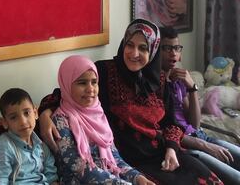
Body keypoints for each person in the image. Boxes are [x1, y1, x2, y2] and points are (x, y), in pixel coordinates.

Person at [39, 19, 224, 184]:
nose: (134, 53)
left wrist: (172, 149)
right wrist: (45, 113)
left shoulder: (159, 81)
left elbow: (171, 124)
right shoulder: (103, 71)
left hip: (163, 153)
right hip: (129, 161)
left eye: (143, 48)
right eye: (130, 45)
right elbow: (66, 92)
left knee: (209, 179)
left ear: (152, 51)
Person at [52, 55, 155, 184]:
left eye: (94, 82)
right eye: (82, 83)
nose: (90, 89)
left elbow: (115, 159)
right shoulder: (60, 121)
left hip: (109, 179)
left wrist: (137, 178)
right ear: (66, 83)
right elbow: (80, 168)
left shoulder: (98, 114)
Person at [160, 26, 240, 184]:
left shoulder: (178, 81)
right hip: (185, 146)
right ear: (156, 50)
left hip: (201, 136)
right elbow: (163, 130)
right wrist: (205, 146)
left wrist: (192, 87)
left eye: (176, 48)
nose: (173, 53)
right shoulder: (154, 85)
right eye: (167, 48)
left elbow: (195, 124)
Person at [0, 88, 59, 185]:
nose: (23, 122)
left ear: (35, 113)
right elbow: (0, 180)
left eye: (27, 113)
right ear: (5, 122)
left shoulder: (42, 145)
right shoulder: (4, 146)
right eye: (14, 117)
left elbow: (51, 174)